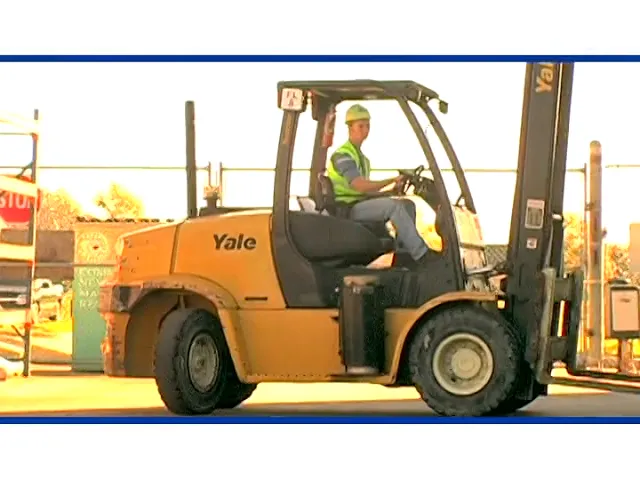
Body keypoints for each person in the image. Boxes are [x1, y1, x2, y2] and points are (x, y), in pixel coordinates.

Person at [326, 104, 439, 266]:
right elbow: (360, 186)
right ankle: (422, 255)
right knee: (394, 207)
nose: (365, 130)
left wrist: (391, 192)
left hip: (358, 203)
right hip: (347, 208)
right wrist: (392, 180)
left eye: (367, 126)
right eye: (360, 126)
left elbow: (364, 192)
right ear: (350, 128)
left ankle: (404, 256)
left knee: (407, 204)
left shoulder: (362, 158)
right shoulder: (343, 155)